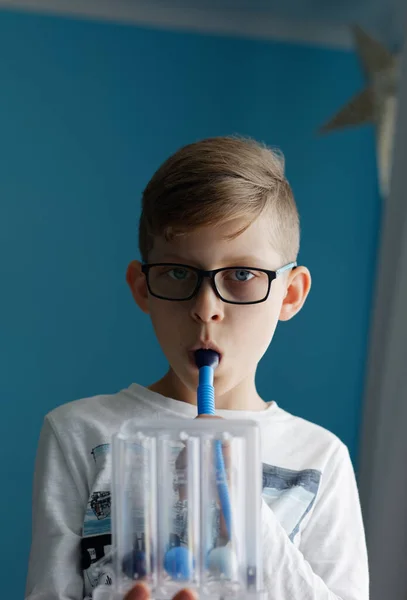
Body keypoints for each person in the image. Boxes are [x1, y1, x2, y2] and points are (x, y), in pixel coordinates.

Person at [25, 136, 369, 600]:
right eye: (179, 273)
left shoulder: (321, 458)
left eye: (242, 275)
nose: (206, 309)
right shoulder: (78, 432)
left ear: (289, 294)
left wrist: (245, 509)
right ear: (143, 287)